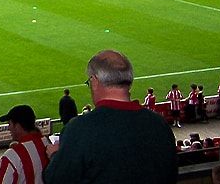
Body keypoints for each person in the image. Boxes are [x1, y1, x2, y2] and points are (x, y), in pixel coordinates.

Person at [44, 49, 177, 184]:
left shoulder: (80, 129)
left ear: (95, 81)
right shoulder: (159, 124)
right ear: (129, 83)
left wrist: (55, 155)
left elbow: (57, 179)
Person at [0, 104, 50, 184]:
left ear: (18, 126)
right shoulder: (48, 144)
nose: (9, 128)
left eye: (9, 124)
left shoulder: (11, 156)